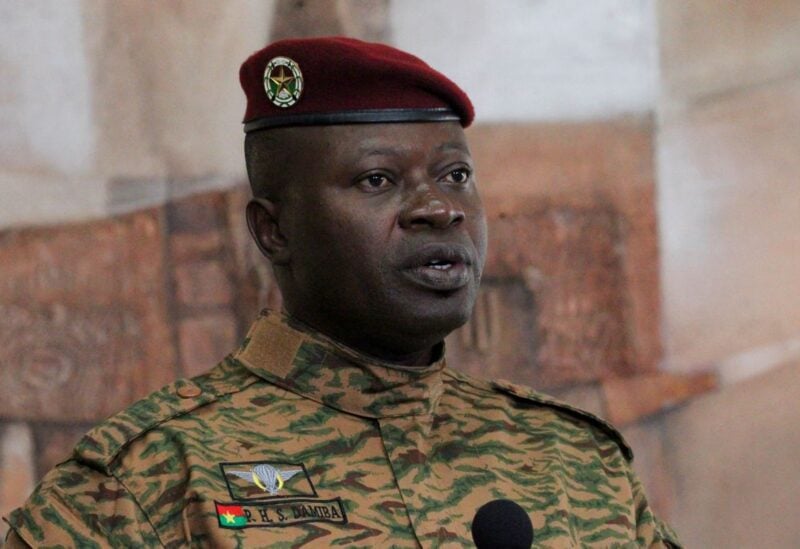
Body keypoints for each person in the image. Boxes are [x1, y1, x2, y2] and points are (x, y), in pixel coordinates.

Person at [3, 37, 681, 548]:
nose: (439, 209)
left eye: (456, 175)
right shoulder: (149, 477)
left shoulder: (573, 460)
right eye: (378, 181)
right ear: (273, 230)